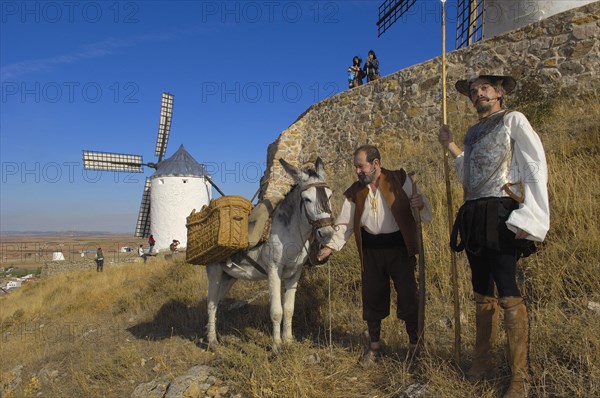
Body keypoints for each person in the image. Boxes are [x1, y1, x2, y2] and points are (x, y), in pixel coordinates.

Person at [438, 73, 549, 398]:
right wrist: (452, 146)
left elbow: (534, 164)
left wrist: (533, 213)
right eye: (473, 91)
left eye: (484, 88)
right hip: (473, 213)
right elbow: (469, 176)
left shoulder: (513, 119)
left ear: (499, 92)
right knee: (481, 290)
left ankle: (520, 378)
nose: (477, 94)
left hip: (501, 211)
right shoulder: (472, 132)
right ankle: (483, 362)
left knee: (508, 287)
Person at [318, 144, 432, 364]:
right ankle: (374, 347)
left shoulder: (400, 179)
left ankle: (415, 346)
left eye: (361, 167)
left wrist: (419, 204)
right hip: (371, 251)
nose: (357, 171)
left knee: (409, 297)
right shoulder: (355, 191)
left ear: (376, 164)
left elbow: (425, 211)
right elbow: (345, 224)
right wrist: (330, 247)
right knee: (372, 298)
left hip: (400, 248)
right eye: (356, 167)